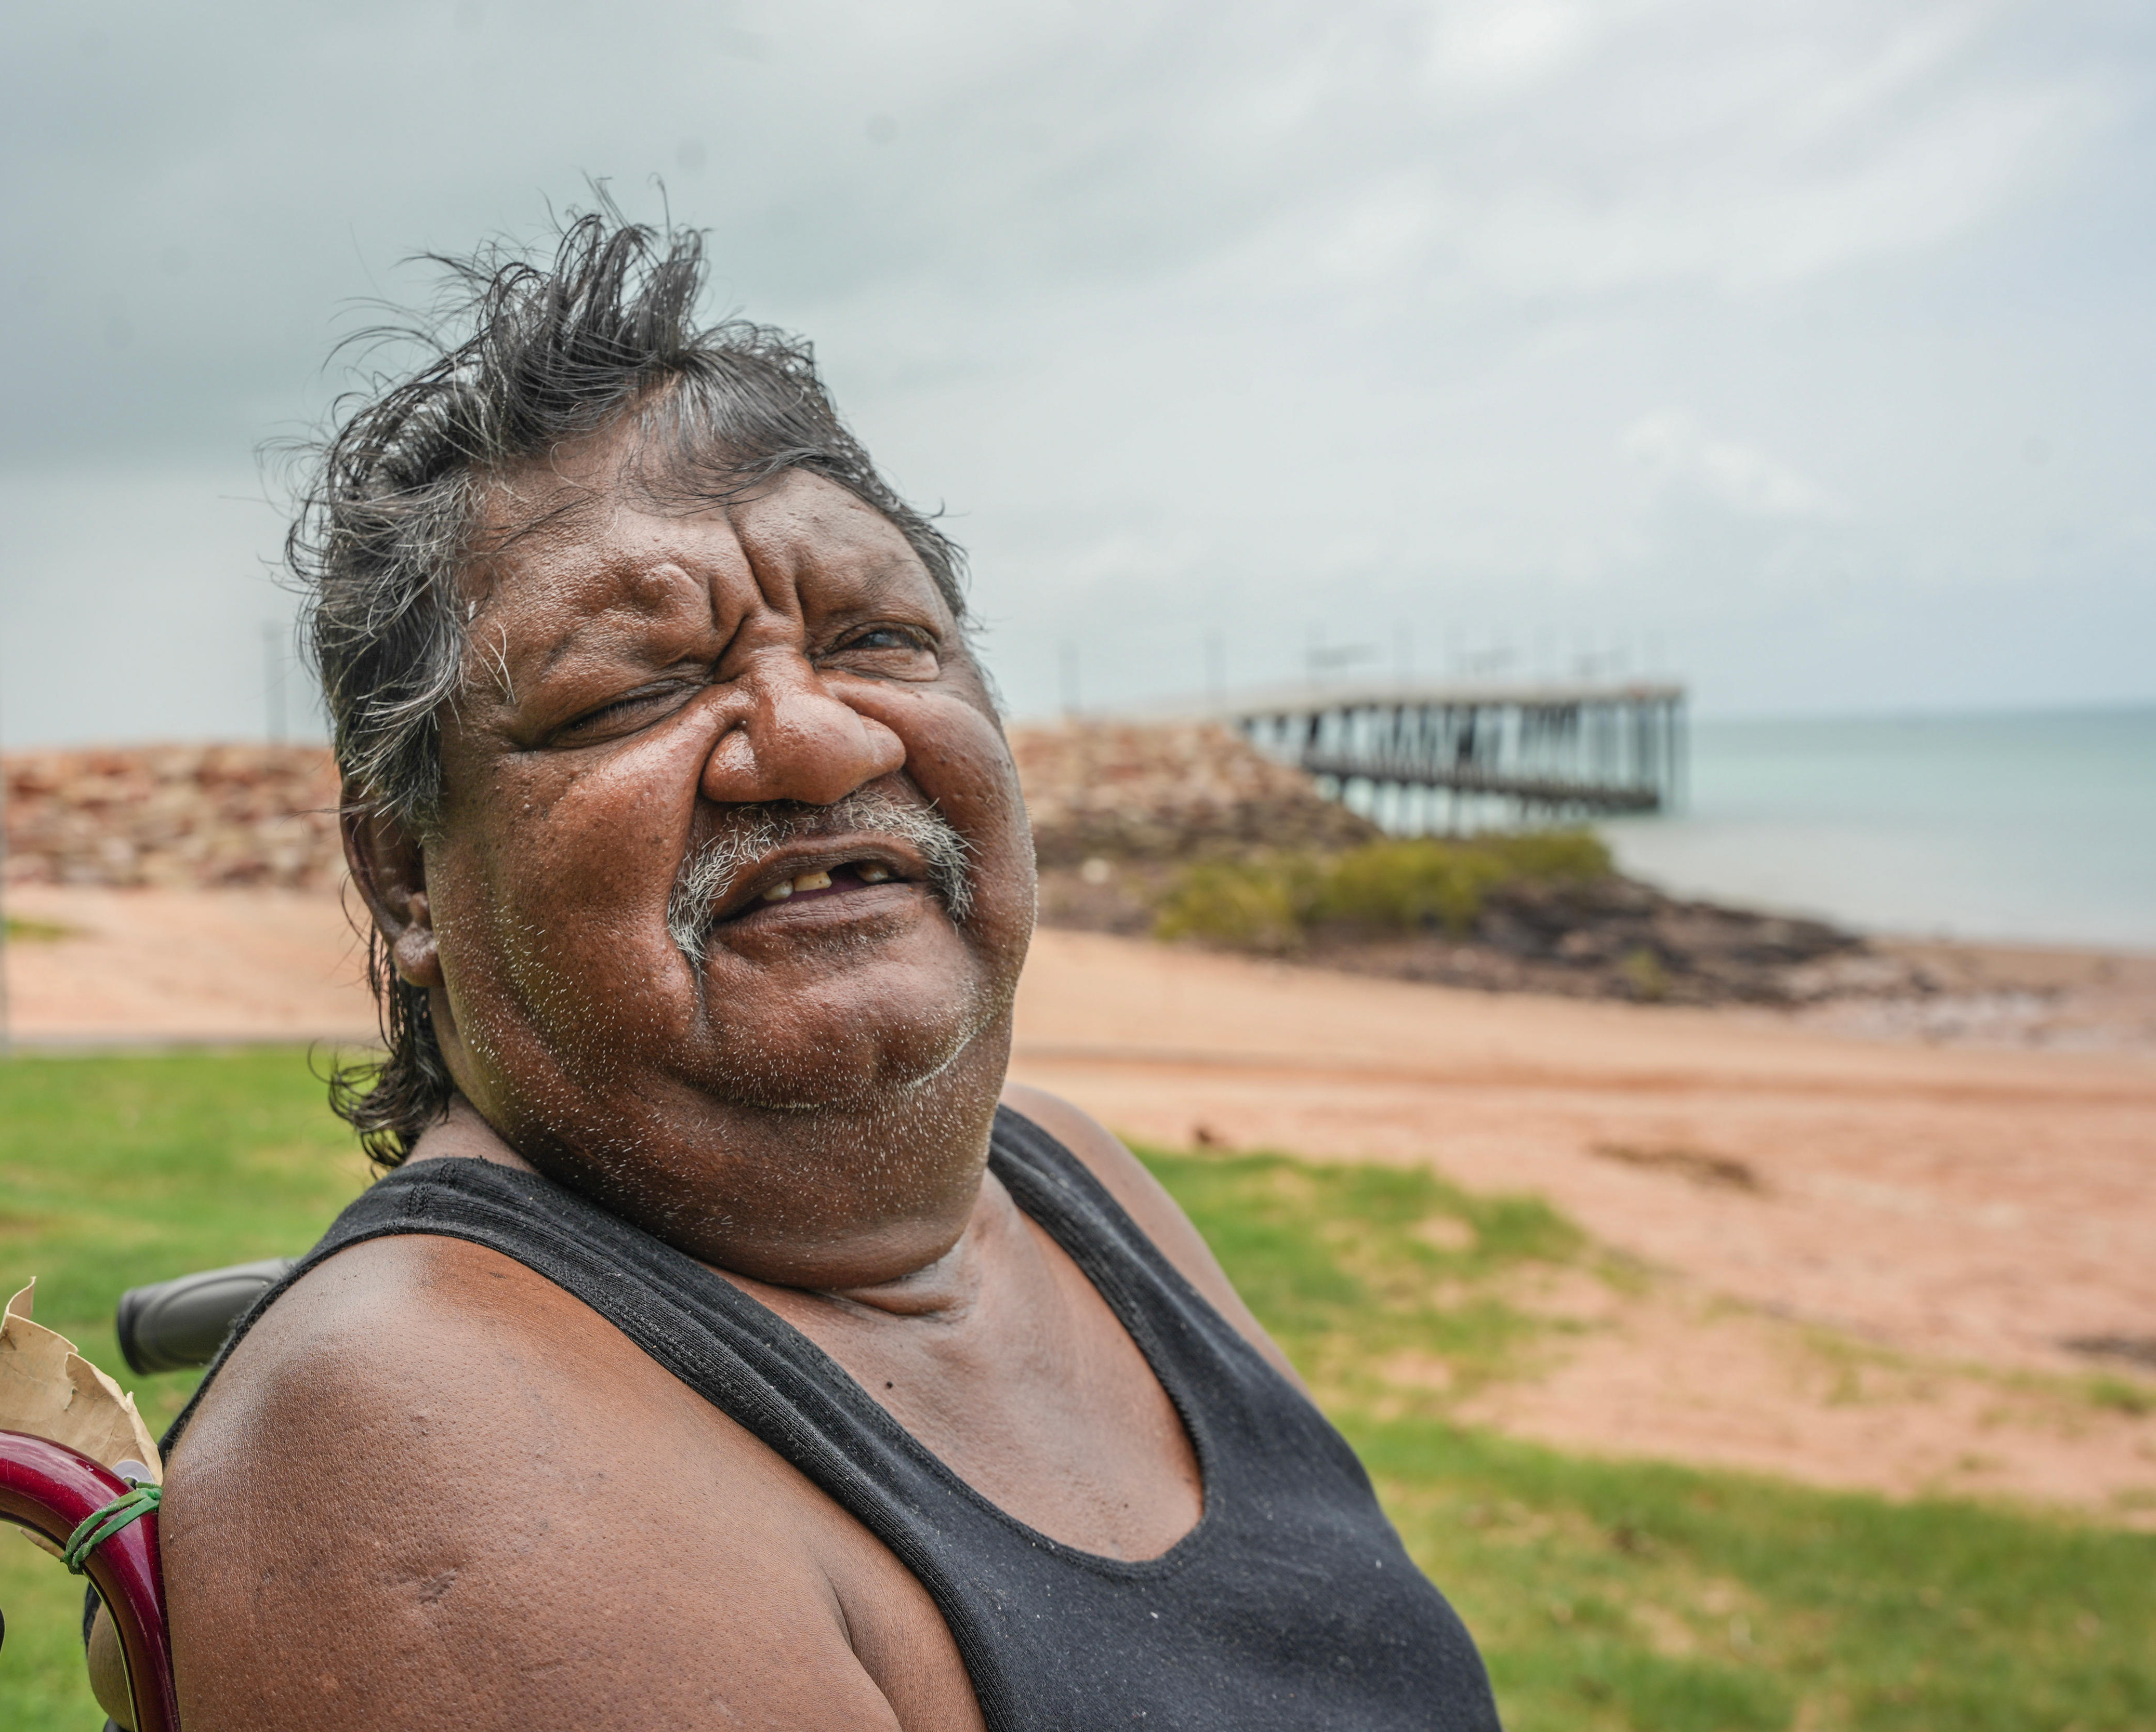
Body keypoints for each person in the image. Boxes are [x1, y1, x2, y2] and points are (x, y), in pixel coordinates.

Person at [155, 211, 1501, 1731]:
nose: (819, 737)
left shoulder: (1070, 1181)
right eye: (636, 687)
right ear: (405, 872)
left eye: (880, 639)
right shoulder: (415, 1432)